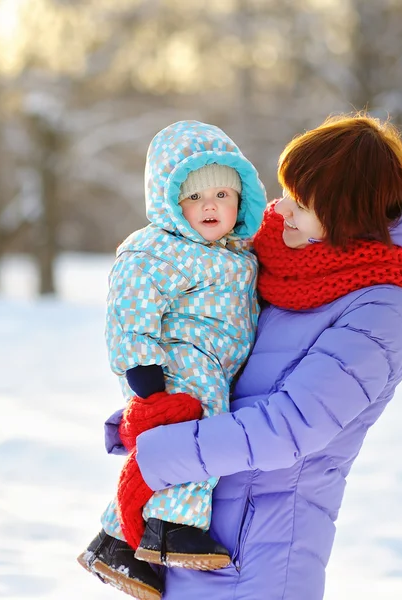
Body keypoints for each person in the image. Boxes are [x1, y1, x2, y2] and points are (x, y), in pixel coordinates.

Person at [105, 113, 402, 600]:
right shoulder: (280, 267)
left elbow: (292, 425)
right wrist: (158, 407)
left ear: (345, 215)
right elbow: (222, 365)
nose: (282, 209)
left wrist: (164, 452)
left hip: (260, 555)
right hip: (190, 527)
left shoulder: (382, 306)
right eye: (287, 191)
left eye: (303, 203)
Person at [78, 120, 267, 599]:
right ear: (169, 203)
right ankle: (170, 526)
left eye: (223, 195)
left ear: (241, 200)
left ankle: (117, 544)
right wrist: (142, 372)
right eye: (194, 197)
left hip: (217, 367)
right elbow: (129, 309)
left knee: (165, 452)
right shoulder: (158, 250)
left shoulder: (241, 254)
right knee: (198, 436)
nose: (210, 206)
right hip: (175, 364)